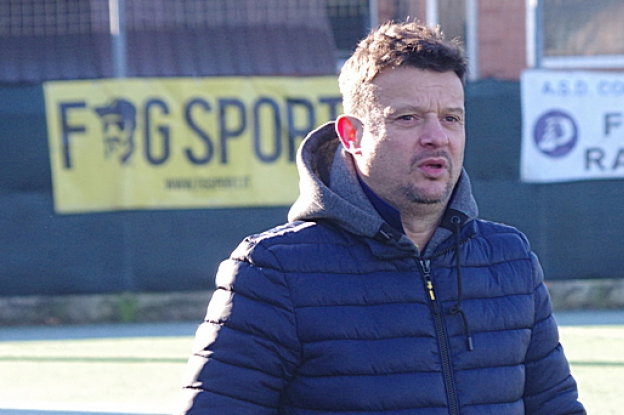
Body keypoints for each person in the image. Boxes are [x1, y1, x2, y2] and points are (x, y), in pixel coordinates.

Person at [177, 21, 586, 415]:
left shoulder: (510, 259)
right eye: (408, 118)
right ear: (351, 136)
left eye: (451, 118)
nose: (437, 137)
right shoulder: (272, 271)